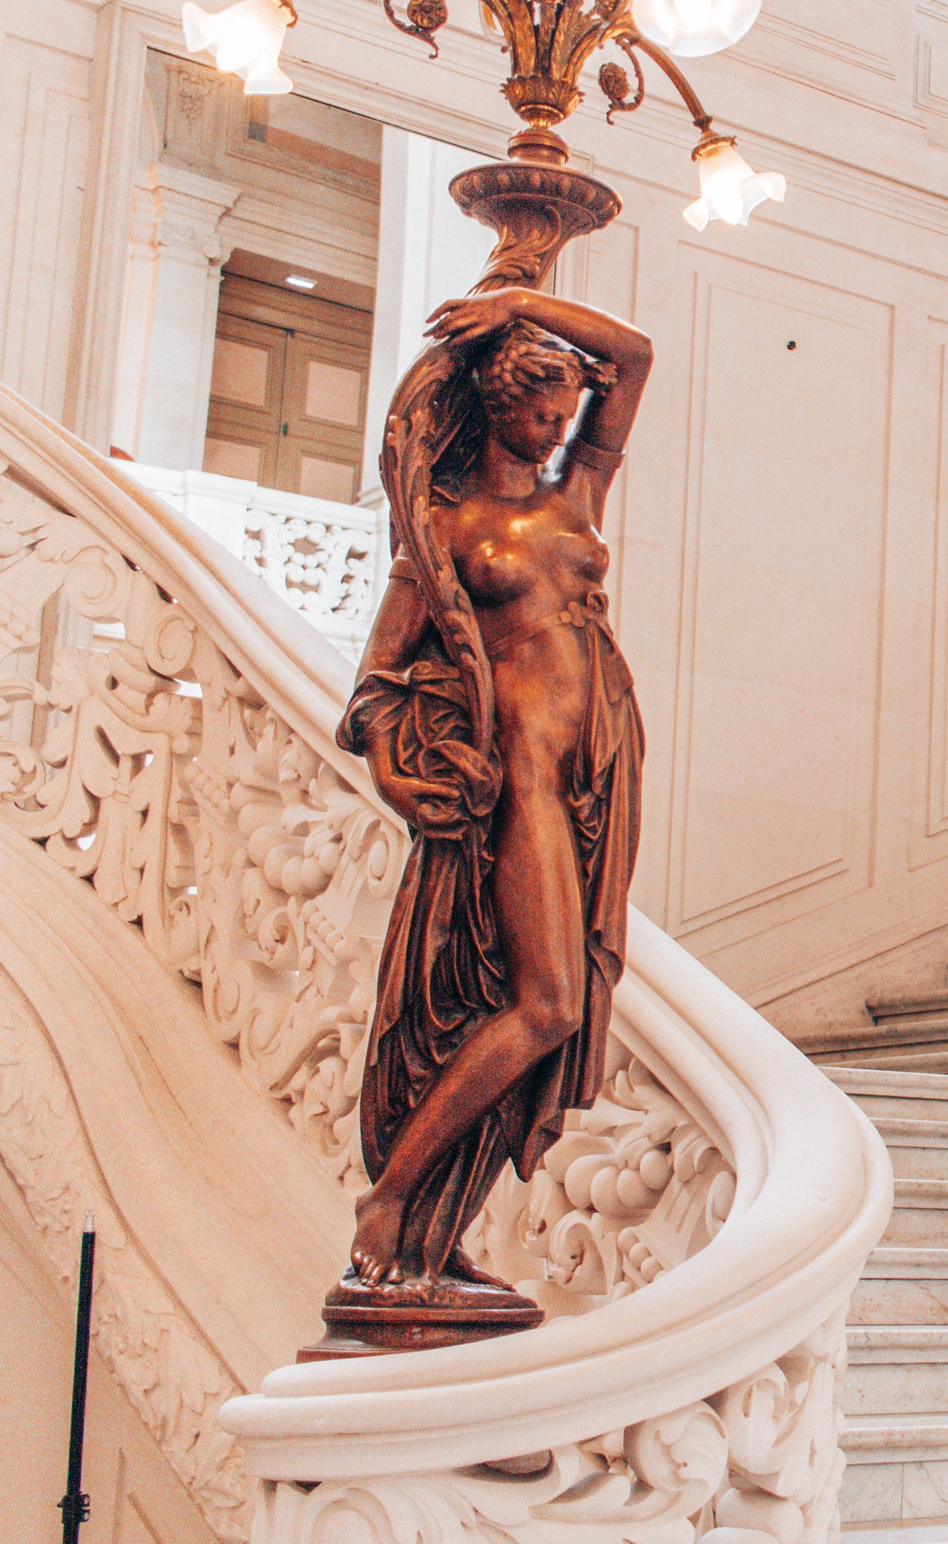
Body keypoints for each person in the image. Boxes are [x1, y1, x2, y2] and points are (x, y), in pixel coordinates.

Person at [336, 285, 650, 1294]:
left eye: (566, 412)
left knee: (554, 1001)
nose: (559, 429)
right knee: (549, 1004)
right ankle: (392, 1193)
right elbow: (376, 687)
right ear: (493, 404)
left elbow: (635, 357)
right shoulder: (444, 530)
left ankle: (437, 1228)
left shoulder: (574, 498)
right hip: (520, 786)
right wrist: (397, 773)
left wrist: (523, 299)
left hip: (597, 782)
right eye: (538, 411)